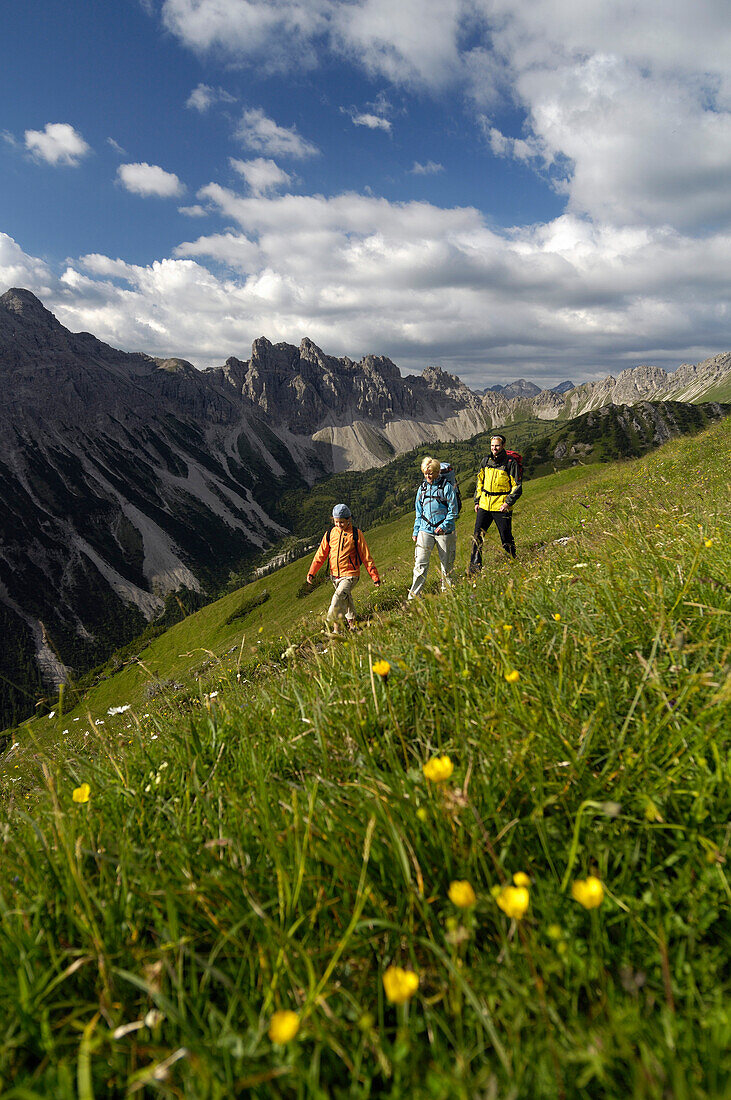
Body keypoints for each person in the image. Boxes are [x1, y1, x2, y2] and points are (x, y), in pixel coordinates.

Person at [307, 504, 380, 632]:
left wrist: (375, 577)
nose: (339, 525)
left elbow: (366, 556)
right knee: (346, 599)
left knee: (338, 596)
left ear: (348, 520)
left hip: (351, 574)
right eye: (336, 522)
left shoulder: (356, 534)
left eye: (342, 522)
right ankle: (353, 626)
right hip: (334, 575)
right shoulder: (330, 533)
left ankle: (334, 626)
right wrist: (312, 572)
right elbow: (321, 554)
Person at [408, 457, 459, 600]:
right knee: (420, 565)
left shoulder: (447, 487)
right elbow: (419, 511)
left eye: (430, 473)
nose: (428, 476)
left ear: (437, 472)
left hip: (445, 532)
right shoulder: (422, 488)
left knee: (447, 565)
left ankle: (448, 595)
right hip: (425, 530)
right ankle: (414, 598)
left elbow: (453, 511)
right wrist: (416, 531)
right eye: (425, 473)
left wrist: (443, 526)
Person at [468, 434, 522, 570]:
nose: (494, 448)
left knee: (505, 535)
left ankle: (512, 560)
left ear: (503, 446)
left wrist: (508, 503)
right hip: (485, 504)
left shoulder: (510, 463)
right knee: (477, 536)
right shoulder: (485, 461)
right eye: (492, 446)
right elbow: (480, 482)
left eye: (497, 446)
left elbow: (517, 486)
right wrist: (477, 501)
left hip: (501, 506)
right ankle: (475, 567)